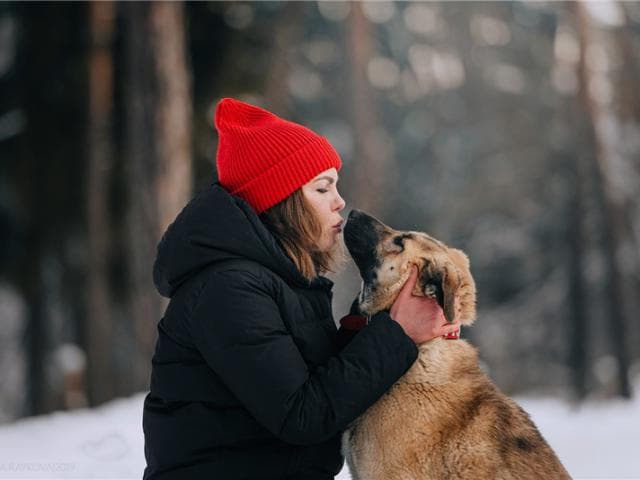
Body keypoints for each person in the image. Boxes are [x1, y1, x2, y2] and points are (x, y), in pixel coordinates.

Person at [142, 98, 460, 479]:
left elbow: (309, 376)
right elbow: (301, 414)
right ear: (283, 199)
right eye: (322, 189)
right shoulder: (228, 289)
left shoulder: (275, 280)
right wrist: (397, 334)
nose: (340, 202)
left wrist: (380, 326)